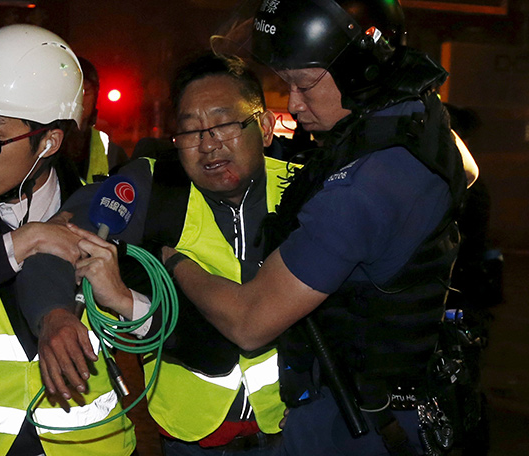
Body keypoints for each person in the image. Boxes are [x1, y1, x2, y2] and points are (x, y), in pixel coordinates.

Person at [128, 0, 476, 455]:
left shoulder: (360, 189)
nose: (294, 102)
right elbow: (467, 171)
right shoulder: (419, 123)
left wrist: (172, 262)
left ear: (360, 71)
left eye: (305, 85)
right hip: (390, 405)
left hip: (353, 424)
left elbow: (250, 323)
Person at [19, 52, 294, 455]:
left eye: (224, 124)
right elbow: (58, 236)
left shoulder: (306, 193)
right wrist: (53, 316)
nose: (209, 144)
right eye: (191, 131)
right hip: (189, 439)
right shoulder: (155, 188)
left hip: (295, 430)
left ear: (265, 127)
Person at [0, 24, 135, 455]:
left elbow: (153, 333)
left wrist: (125, 298)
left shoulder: (107, 213)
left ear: (48, 142)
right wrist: (21, 243)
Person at [62, 56, 128, 183]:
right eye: (72, 90)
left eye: (85, 91)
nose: (79, 99)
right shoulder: (38, 143)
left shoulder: (112, 154)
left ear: (95, 98)